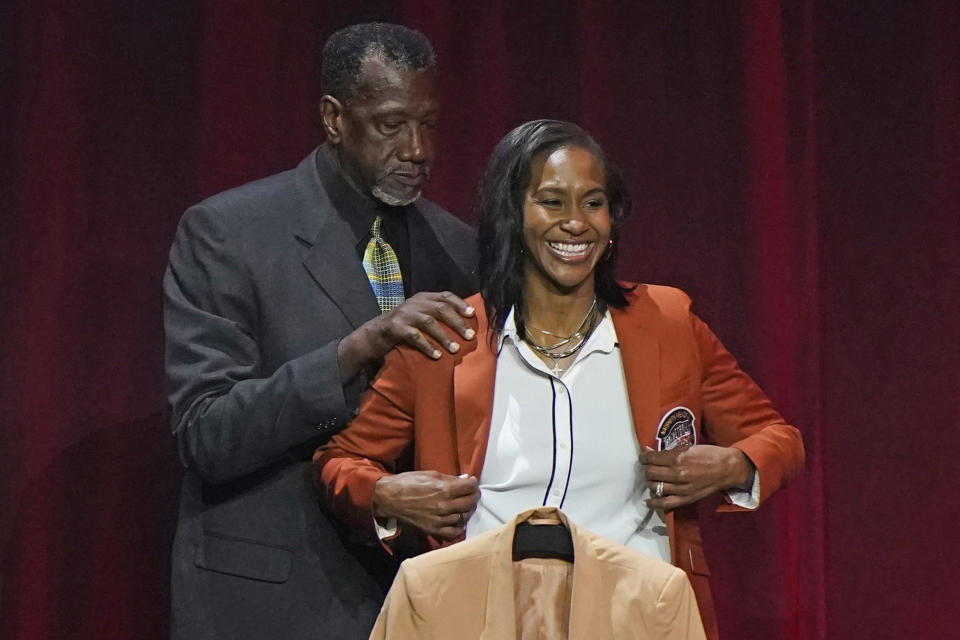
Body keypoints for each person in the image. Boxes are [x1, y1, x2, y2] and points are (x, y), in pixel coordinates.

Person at [314, 119, 805, 638]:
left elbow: (781, 441)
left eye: (592, 203)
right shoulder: (447, 342)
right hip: (481, 616)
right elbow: (340, 461)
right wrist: (387, 494)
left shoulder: (668, 322)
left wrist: (733, 464)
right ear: (512, 216)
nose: (576, 223)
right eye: (552, 202)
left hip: (636, 615)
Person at [163, 23, 478, 640]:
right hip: (269, 606)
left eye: (429, 124)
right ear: (334, 119)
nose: (418, 149)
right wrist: (354, 350)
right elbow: (207, 434)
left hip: (420, 605)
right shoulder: (228, 234)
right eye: (391, 125)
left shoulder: (460, 249)